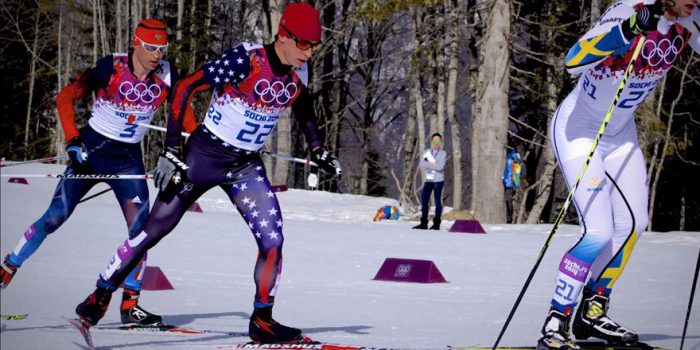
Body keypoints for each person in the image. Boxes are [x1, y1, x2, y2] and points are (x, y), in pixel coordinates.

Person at [72, 3, 341, 344]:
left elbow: (303, 107)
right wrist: (171, 149)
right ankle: (100, 294)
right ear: (284, 36)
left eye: (314, 46)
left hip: (244, 165)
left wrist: (318, 149)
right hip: (203, 156)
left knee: (273, 240)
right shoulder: (247, 60)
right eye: (304, 44)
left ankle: (262, 320)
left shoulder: (299, 72)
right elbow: (185, 87)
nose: (309, 52)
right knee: (154, 229)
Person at [0, 19, 197, 326]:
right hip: (91, 153)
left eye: (162, 48)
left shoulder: (168, 75)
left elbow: (183, 114)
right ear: (135, 43)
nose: (157, 55)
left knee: (142, 231)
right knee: (54, 217)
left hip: (128, 159)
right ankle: (5, 274)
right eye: (150, 48)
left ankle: (130, 305)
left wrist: (202, 146)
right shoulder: (111, 67)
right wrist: (73, 139)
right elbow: (65, 98)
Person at [537, 1, 699, 349]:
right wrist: (627, 30)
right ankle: (556, 319)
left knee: (633, 226)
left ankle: (593, 310)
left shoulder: (692, 19)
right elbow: (573, 59)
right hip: (580, 130)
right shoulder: (633, 7)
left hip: (620, 134)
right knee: (598, 231)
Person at [413, 133, 446, 230]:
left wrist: (429, 163)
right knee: (424, 200)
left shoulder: (442, 153)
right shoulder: (427, 151)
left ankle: (436, 224)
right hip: (429, 179)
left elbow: (440, 167)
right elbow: (421, 164)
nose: (436, 143)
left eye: (438, 141)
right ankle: (423, 223)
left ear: (441, 142)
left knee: (437, 202)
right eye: (435, 141)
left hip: (438, 180)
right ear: (432, 141)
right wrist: (434, 163)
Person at [502, 148, 523, 224]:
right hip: (510, 183)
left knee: (508, 199)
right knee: (509, 200)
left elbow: (515, 172)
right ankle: (510, 215)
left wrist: (515, 184)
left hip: (510, 183)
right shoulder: (513, 157)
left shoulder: (512, 157)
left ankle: (509, 216)